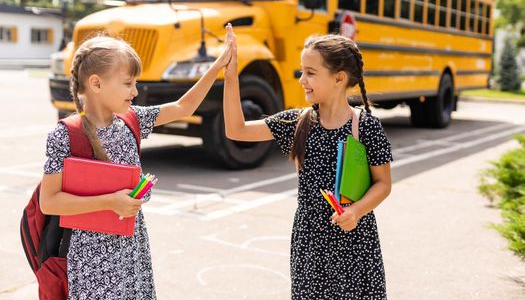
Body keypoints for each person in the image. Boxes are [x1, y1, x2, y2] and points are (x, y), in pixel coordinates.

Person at [39, 27, 233, 299]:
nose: (135, 91)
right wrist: (110, 201)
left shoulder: (133, 120)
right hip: (91, 264)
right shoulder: (66, 135)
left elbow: (182, 108)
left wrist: (218, 65)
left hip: (133, 252)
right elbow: (49, 202)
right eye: (128, 83)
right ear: (96, 84)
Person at [223, 31, 393, 299]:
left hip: (356, 242)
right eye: (302, 71)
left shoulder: (367, 127)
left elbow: (383, 184)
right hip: (310, 244)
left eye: (311, 73)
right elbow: (236, 129)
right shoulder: (298, 122)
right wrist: (231, 77)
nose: (302, 80)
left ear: (339, 78)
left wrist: (357, 211)